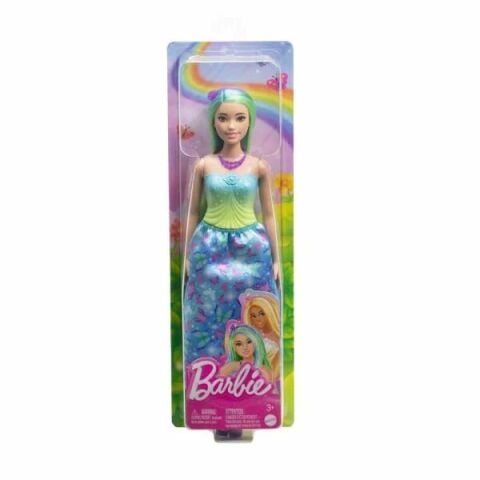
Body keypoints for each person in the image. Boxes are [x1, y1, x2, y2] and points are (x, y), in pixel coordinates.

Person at [183, 87, 280, 363]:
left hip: (251, 247)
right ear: (214, 121)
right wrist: (187, 255)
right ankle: (205, 366)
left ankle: (254, 371)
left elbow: (269, 215)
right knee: (205, 310)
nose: (231, 126)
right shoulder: (204, 165)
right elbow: (192, 212)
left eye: (240, 118)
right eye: (223, 118)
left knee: (254, 309)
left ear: (250, 122)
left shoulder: (258, 166)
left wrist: (276, 258)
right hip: (208, 246)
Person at [240, 290, 281, 380]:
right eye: (253, 316)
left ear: (269, 313)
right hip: (253, 374)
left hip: (271, 375)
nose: (258, 319)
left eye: (262, 314)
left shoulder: (278, 335)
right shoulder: (252, 337)